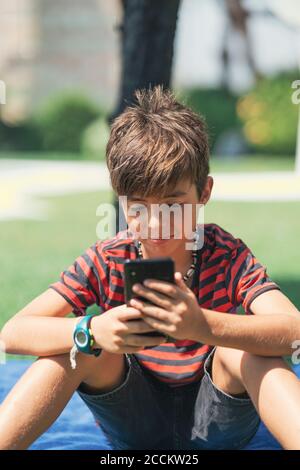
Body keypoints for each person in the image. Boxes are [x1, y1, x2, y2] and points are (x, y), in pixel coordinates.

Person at [1, 86, 300, 450]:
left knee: (247, 352)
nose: (156, 223)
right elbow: (13, 332)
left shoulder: (226, 253)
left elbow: (293, 331)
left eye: (173, 203)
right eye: (139, 205)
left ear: (204, 192)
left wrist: (201, 326)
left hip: (220, 425)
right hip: (134, 423)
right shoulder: (108, 257)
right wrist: (92, 330)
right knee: (76, 349)